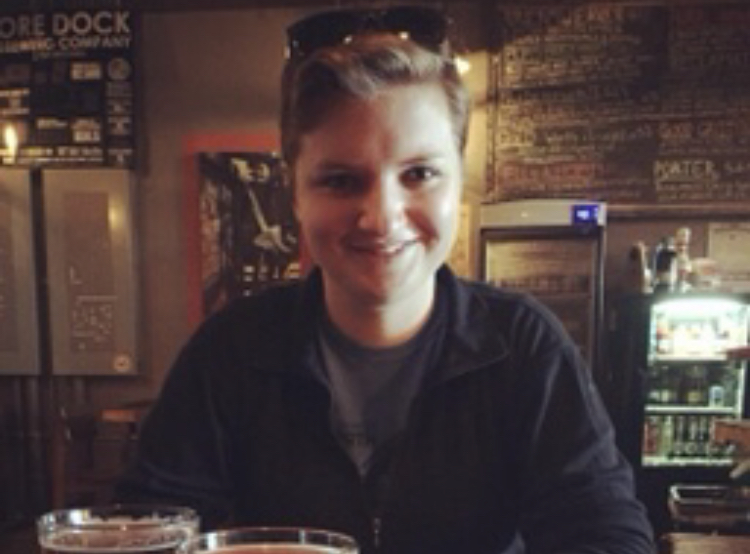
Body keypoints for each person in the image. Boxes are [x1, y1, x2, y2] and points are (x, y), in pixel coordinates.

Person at [116, 6, 654, 553]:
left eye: (419, 174)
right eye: (340, 180)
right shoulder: (230, 350)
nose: (381, 217)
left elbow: (608, 535)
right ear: (294, 192)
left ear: (457, 181)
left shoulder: (524, 346)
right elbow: (149, 529)